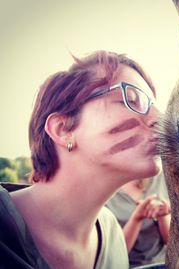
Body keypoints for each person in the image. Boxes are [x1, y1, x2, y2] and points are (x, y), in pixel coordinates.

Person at [0, 50, 161, 269]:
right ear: (62, 129)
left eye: (153, 105)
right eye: (132, 99)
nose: (159, 119)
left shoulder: (112, 236)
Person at [106, 172, 170, 268]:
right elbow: (114, 255)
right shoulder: (106, 191)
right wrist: (137, 218)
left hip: (160, 263)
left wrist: (162, 215)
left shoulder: (161, 176)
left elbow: (170, 241)